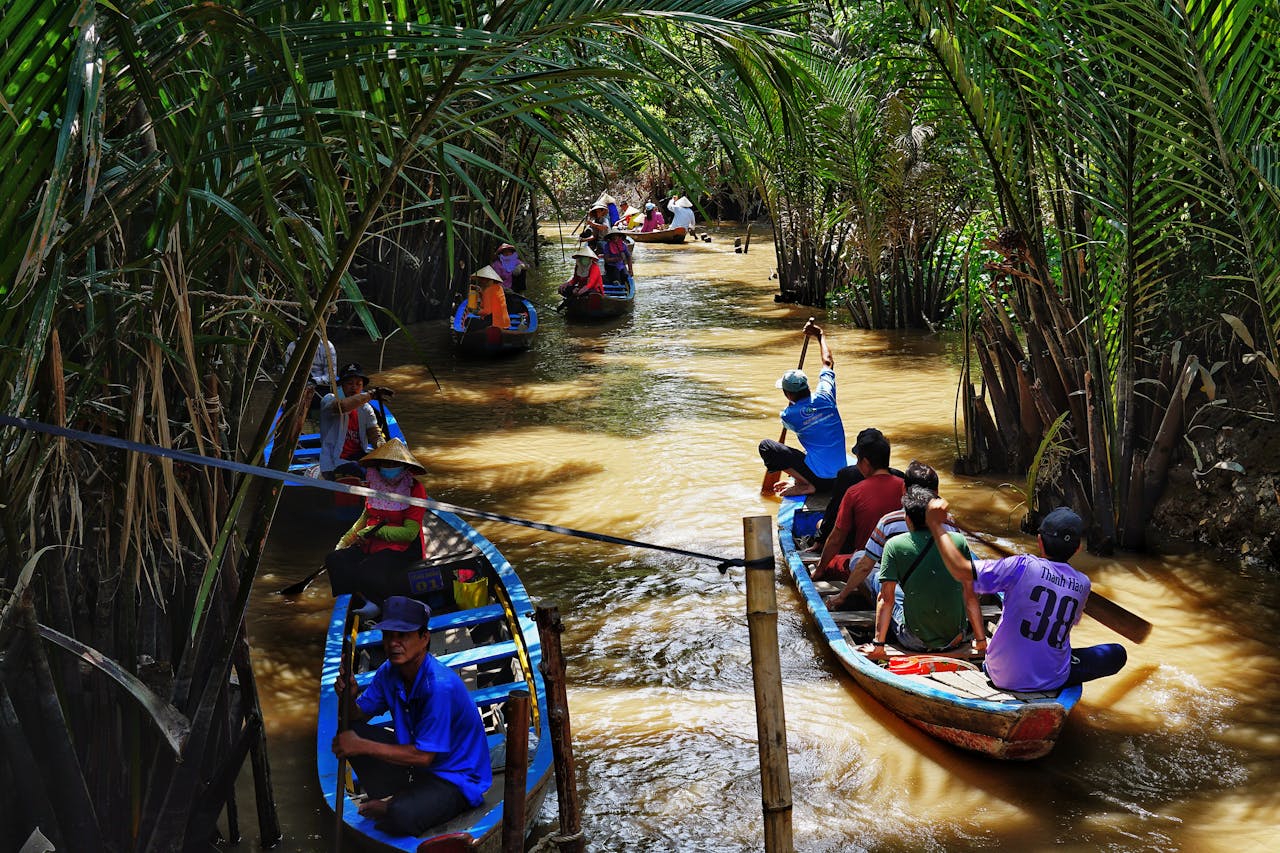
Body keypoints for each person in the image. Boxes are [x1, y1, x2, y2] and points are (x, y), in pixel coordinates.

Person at [925, 501, 1128, 692]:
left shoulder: (1021, 565)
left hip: (1000, 674)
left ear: (1039, 541)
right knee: (1117, 653)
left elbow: (961, 571)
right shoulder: (1083, 584)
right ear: (1077, 549)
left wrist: (936, 525)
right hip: (1052, 678)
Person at [332, 595, 492, 836]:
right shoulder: (389, 671)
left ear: (424, 638)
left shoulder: (439, 687)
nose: (394, 643)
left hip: (455, 779)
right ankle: (396, 797)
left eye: (403, 636)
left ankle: (392, 805)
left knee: (400, 815)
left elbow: (424, 757)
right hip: (419, 769)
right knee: (351, 731)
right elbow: (357, 716)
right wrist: (348, 698)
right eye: (389, 636)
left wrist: (362, 746)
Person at [861, 486, 987, 660]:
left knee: (878, 580)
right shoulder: (958, 541)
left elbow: (885, 599)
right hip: (956, 638)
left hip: (914, 640)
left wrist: (878, 646)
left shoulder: (895, 545)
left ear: (908, 519)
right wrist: (980, 641)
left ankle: (882, 638)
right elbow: (970, 595)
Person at [826, 460, 956, 610]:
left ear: (904, 489)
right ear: (937, 492)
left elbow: (864, 566)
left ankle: (882, 605)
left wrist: (842, 596)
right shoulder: (949, 520)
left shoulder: (889, 521)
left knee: (859, 558)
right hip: (937, 588)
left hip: (903, 593)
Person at [325, 439, 428, 602]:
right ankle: (351, 601)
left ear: (405, 467)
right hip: (370, 543)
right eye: (385, 465)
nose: (389, 469)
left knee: (368, 569)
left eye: (394, 465)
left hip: (402, 548)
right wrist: (344, 542)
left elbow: (409, 533)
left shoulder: (414, 488)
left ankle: (377, 604)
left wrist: (376, 531)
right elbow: (366, 516)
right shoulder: (375, 483)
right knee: (335, 558)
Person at [758, 320, 846, 497]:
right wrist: (819, 334)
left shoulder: (788, 415)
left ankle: (806, 484)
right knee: (814, 444)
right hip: (840, 478)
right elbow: (828, 362)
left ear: (788, 394)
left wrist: (793, 406)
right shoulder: (826, 395)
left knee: (766, 446)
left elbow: (797, 427)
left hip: (819, 481)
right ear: (806, 386)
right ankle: (801, 480)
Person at [811, 431, 904, 581]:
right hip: (900, 561)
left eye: (858, 460)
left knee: (830, 564)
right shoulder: (905, 485)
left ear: (866, 463)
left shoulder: (854, 492)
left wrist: (820, 569)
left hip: (866, 564)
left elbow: (836, 538)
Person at [319, 362, 388, 480]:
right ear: (342, 386)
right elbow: (343, 407)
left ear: (362, 387)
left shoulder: (366, 409)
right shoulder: (329, 400)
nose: (354, 387)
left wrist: (384, 449)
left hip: (358, 457)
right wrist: (371, 395)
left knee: (388, 470)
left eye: (358, 384)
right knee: (361, 471)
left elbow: (374, 434)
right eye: (350, 383)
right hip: (334, 462)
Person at [470, 265, 510, 331]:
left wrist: (475, 312)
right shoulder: (499, 288)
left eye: (482, 279)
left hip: (494, 324)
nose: (481, 281)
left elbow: (487, 311)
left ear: (489, 280)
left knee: (469, 322)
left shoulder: (488, 291)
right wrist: (481, 292)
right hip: (505, 323)